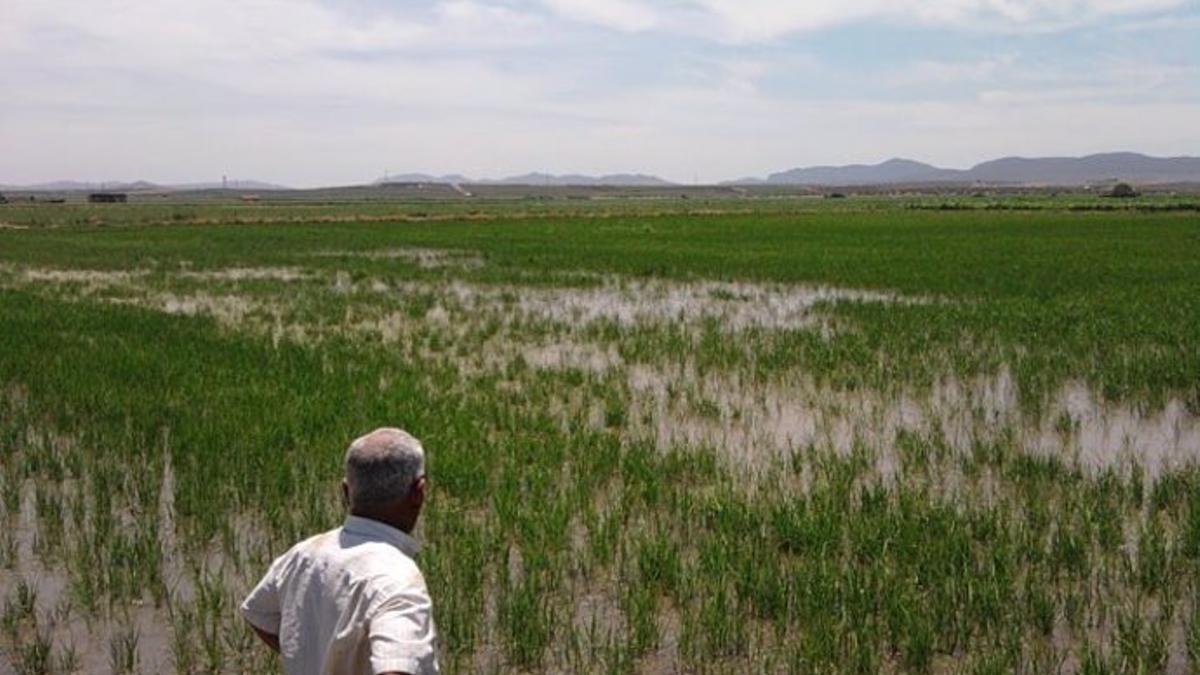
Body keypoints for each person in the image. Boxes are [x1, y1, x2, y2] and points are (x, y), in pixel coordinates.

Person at [241, 428, 440, 675]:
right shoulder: (398, 581)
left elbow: (257, 613)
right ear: (418, 492)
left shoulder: (304, 554)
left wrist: (310, 659)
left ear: (345, 492)